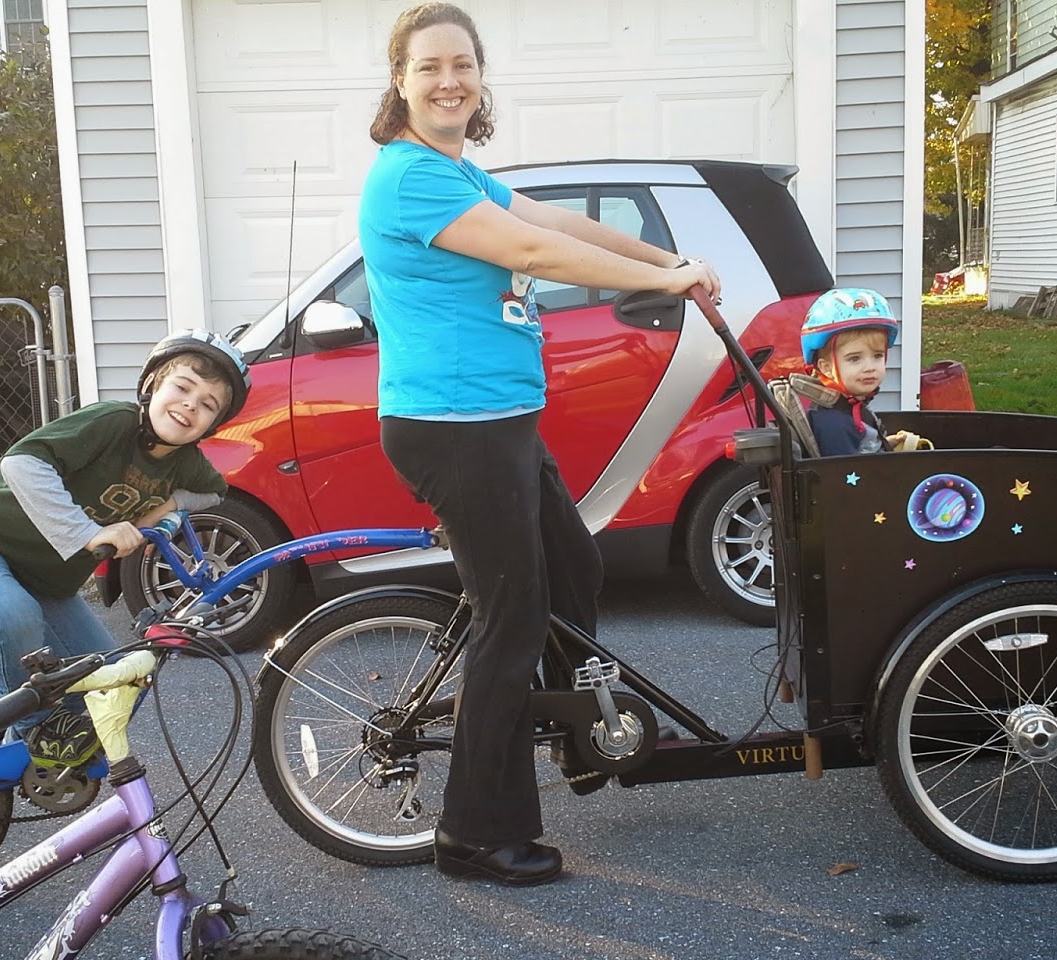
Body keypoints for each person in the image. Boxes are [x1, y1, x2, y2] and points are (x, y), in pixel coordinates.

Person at [360, 2, 721, 888]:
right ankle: (476, 835)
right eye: (430, 66)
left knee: (573, 573)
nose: (450, 80)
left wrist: (670, 259)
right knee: (511, 620)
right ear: (399, 81)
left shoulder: (459, 170)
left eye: (464, 64)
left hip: (498, 423)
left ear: (481, 77)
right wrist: (661, 281)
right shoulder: (409, 178)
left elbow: (560, 225)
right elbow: (532, 252)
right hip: (455, 429)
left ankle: (585, 733)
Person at [0, 329, 250, 765]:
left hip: (44, 579)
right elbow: (22, 463)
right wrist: (87, 533)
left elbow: (213, 492)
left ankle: (36, 761)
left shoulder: (187, 463)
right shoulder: (114, 422)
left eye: (208, 405)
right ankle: (35, 732)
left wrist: (163, 512)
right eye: (183, 388)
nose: (190, 405)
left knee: (111, 677)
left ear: (214, 424)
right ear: (152, 387)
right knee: (15, 618)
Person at [795, 287, 923, 457]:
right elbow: (848, 475)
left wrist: (886, 444)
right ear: (826, 368)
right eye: (855, 359)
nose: (869, 367)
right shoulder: (834, 424)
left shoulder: (848, 408)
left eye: (877, 356)